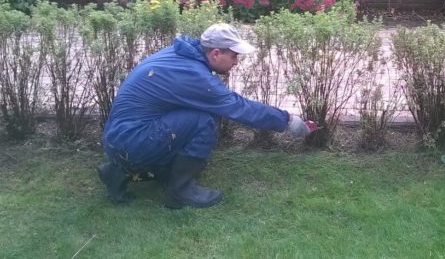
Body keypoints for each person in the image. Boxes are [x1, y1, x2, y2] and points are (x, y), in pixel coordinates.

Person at [97, 23, 317, 209]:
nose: (236, 62)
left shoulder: (180, 54)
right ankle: (180, 192)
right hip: (131, 141)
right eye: (234, 56)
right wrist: (288, 120)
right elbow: (239, 107)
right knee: (204, 119)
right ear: (215, 53)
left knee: (196, 113)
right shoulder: (193, 75)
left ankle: (117, 172)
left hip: (120, 139)